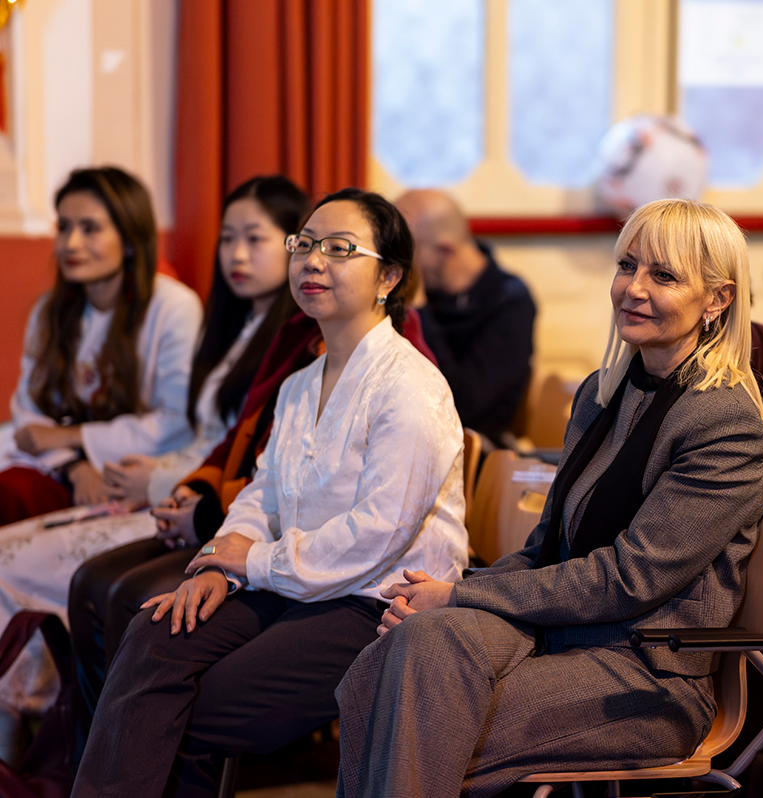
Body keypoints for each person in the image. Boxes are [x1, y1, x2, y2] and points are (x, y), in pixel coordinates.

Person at [334, 198, 763, 798]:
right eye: (627, 266)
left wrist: (460, 592)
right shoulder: (600, 393)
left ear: (718, 299)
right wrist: (447, 602)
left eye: (662, 276)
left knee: (422, 708)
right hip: (561, 633)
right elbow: (547, 552)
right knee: (415, 645)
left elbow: (629, 580)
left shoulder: (724, 422)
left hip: (647, 672)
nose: (632, 289)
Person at [70, 189, 468, 798]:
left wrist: (251, 562)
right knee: (156, 632)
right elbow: (266, 492)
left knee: (191, 710)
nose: (312, 261)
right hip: (289, 582)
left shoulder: (410, 386)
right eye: (303, 244)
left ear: (388, 275)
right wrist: (218, 566)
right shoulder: (300, 385)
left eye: (339, 249)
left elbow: (378, 533)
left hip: (374, 601)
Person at [0, 176, 307, 750]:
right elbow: (209, 439)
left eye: (256, 239)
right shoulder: (236, 328)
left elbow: (244, 453)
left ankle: (51, 739)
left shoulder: (288, 335)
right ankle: (42, 736)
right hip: (178, 488)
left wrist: (164, 480)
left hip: (204, 504)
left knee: (46, 568)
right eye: (227, 239)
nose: (236, 255)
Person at [0, 167, 202, 523]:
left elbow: (176, 422)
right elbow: (29, 417)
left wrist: (69, 436)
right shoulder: (49, 311)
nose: (70, 244)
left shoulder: (173, 307)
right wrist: (75, 466)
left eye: (89, 228)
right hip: (62, 467)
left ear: (128, 240)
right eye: (63, 227)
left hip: (134, 469)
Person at [396, 189, 536, 445]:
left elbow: (465, 404)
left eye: (406, 249)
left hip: (475, 448)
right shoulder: (428, 290)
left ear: (445, 249)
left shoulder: (510, 301)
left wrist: (418, 312)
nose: (398, 262)